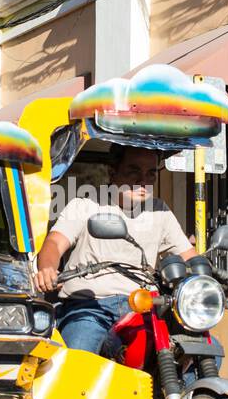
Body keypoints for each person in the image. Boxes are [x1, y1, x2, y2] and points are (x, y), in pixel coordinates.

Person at [33, 145, 202, 355]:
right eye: (134, 172)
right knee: (75, 361)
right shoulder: (85, 205)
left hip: (143, 307)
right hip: (90, 307)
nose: (143, 181)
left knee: (195, 351)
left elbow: (190, 257)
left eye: (151, 174)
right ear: (112, 171)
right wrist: (47, 268)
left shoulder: (160, 211)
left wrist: (222, 280)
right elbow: (55, 243)